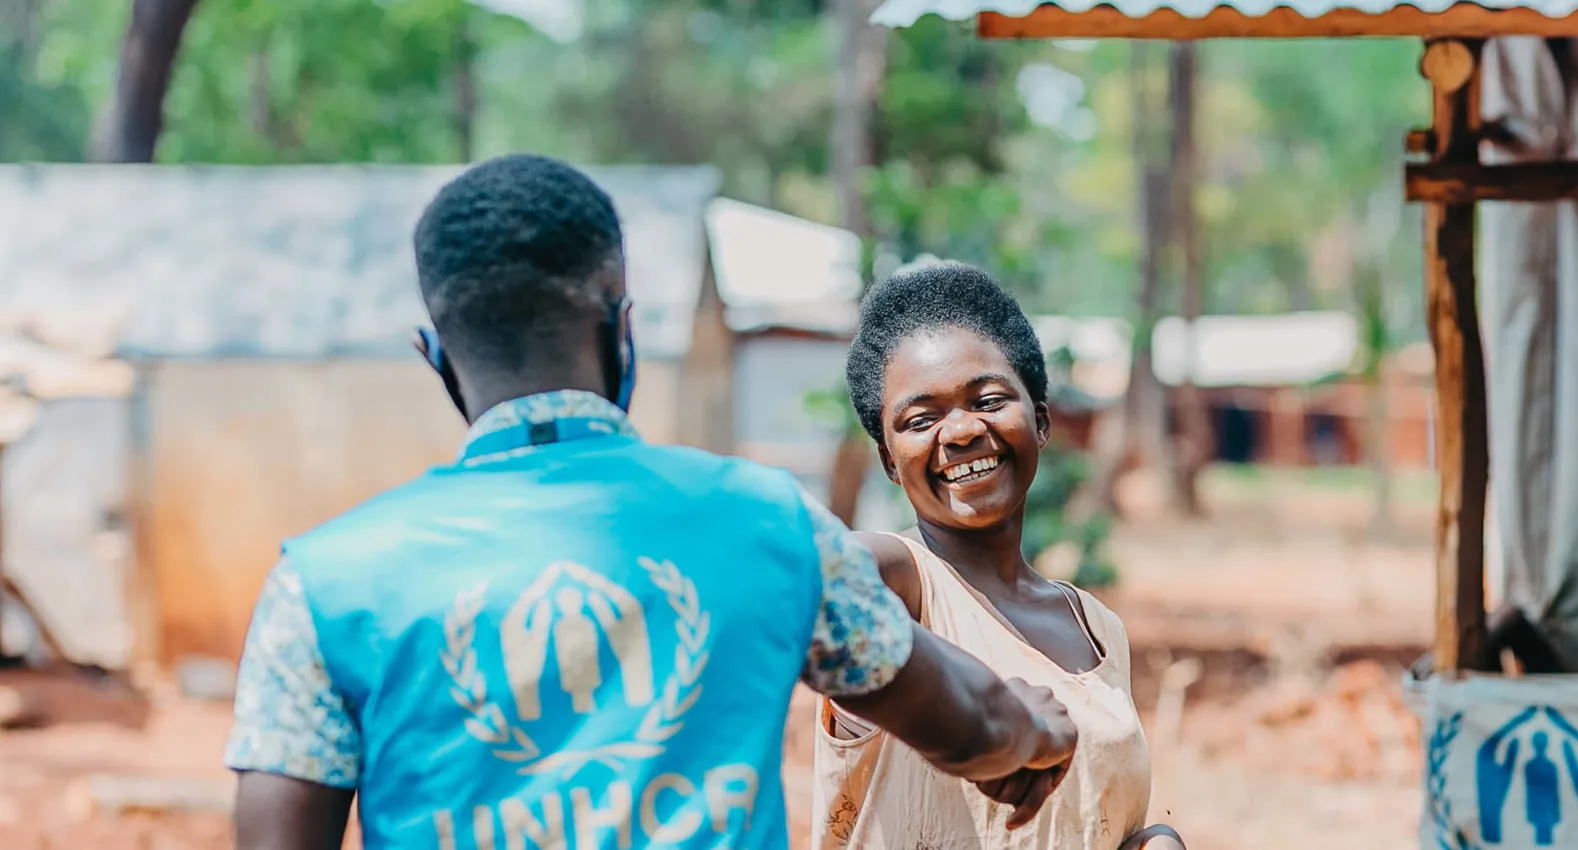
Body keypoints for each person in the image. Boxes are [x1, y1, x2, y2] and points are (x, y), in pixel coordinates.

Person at [223, 155, 1077, 850]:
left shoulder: (320, 586)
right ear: (621, 326)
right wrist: (1035, 737)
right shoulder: (769, 527)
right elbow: (966, 719)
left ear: (435, 354)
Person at [810, 261, 1183, 850]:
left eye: (987, 400)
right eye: (921, 419)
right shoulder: (901, 585)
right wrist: (982, 724)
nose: (959, 431)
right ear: (889, 461)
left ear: (1038, 421)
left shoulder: (1096, 627)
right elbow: (815, 580)